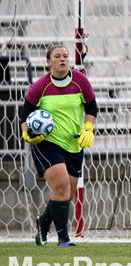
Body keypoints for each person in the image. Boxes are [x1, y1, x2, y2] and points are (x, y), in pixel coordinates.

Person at [19, 45, 97, 247]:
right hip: (47, 144)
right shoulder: (39, 87)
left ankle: (43, 224)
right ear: (48, 62)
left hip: (73, 143)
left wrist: (88, 128)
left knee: (67, 194)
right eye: (57, 56)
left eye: (65, 56)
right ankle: (63, 238)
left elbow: (91, 107)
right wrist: (27, 133)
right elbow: (24, 116)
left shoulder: (81, 81)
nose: (63, 59)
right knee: (61, 186)